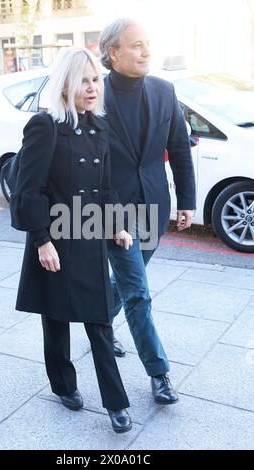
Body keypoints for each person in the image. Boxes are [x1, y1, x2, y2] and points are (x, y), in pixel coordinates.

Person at [9, 47, 133, 434]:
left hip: (90, 238)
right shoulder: (45, 126)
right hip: (56, 240)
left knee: (99, 322)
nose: (93, 87)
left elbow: (106, 187)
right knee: (57, 318)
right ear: (66, 83)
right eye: (84, 80)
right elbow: (27, 189)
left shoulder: (99, 127)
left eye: (96, 80)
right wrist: (41, 240)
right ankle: (64, 385)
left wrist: (118, 224)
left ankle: (116, 404)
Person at [99, 19, 196, 405]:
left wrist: (187, 200)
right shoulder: (95, 93)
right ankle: (160, 374)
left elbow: (180, 149)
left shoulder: (164, 89)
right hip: (111, 212)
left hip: (154, 205)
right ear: (114, 53)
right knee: (137, 291)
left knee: (126, 281)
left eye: (147, 44)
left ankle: (99, 323)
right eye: (136, 46)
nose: (146, 51)